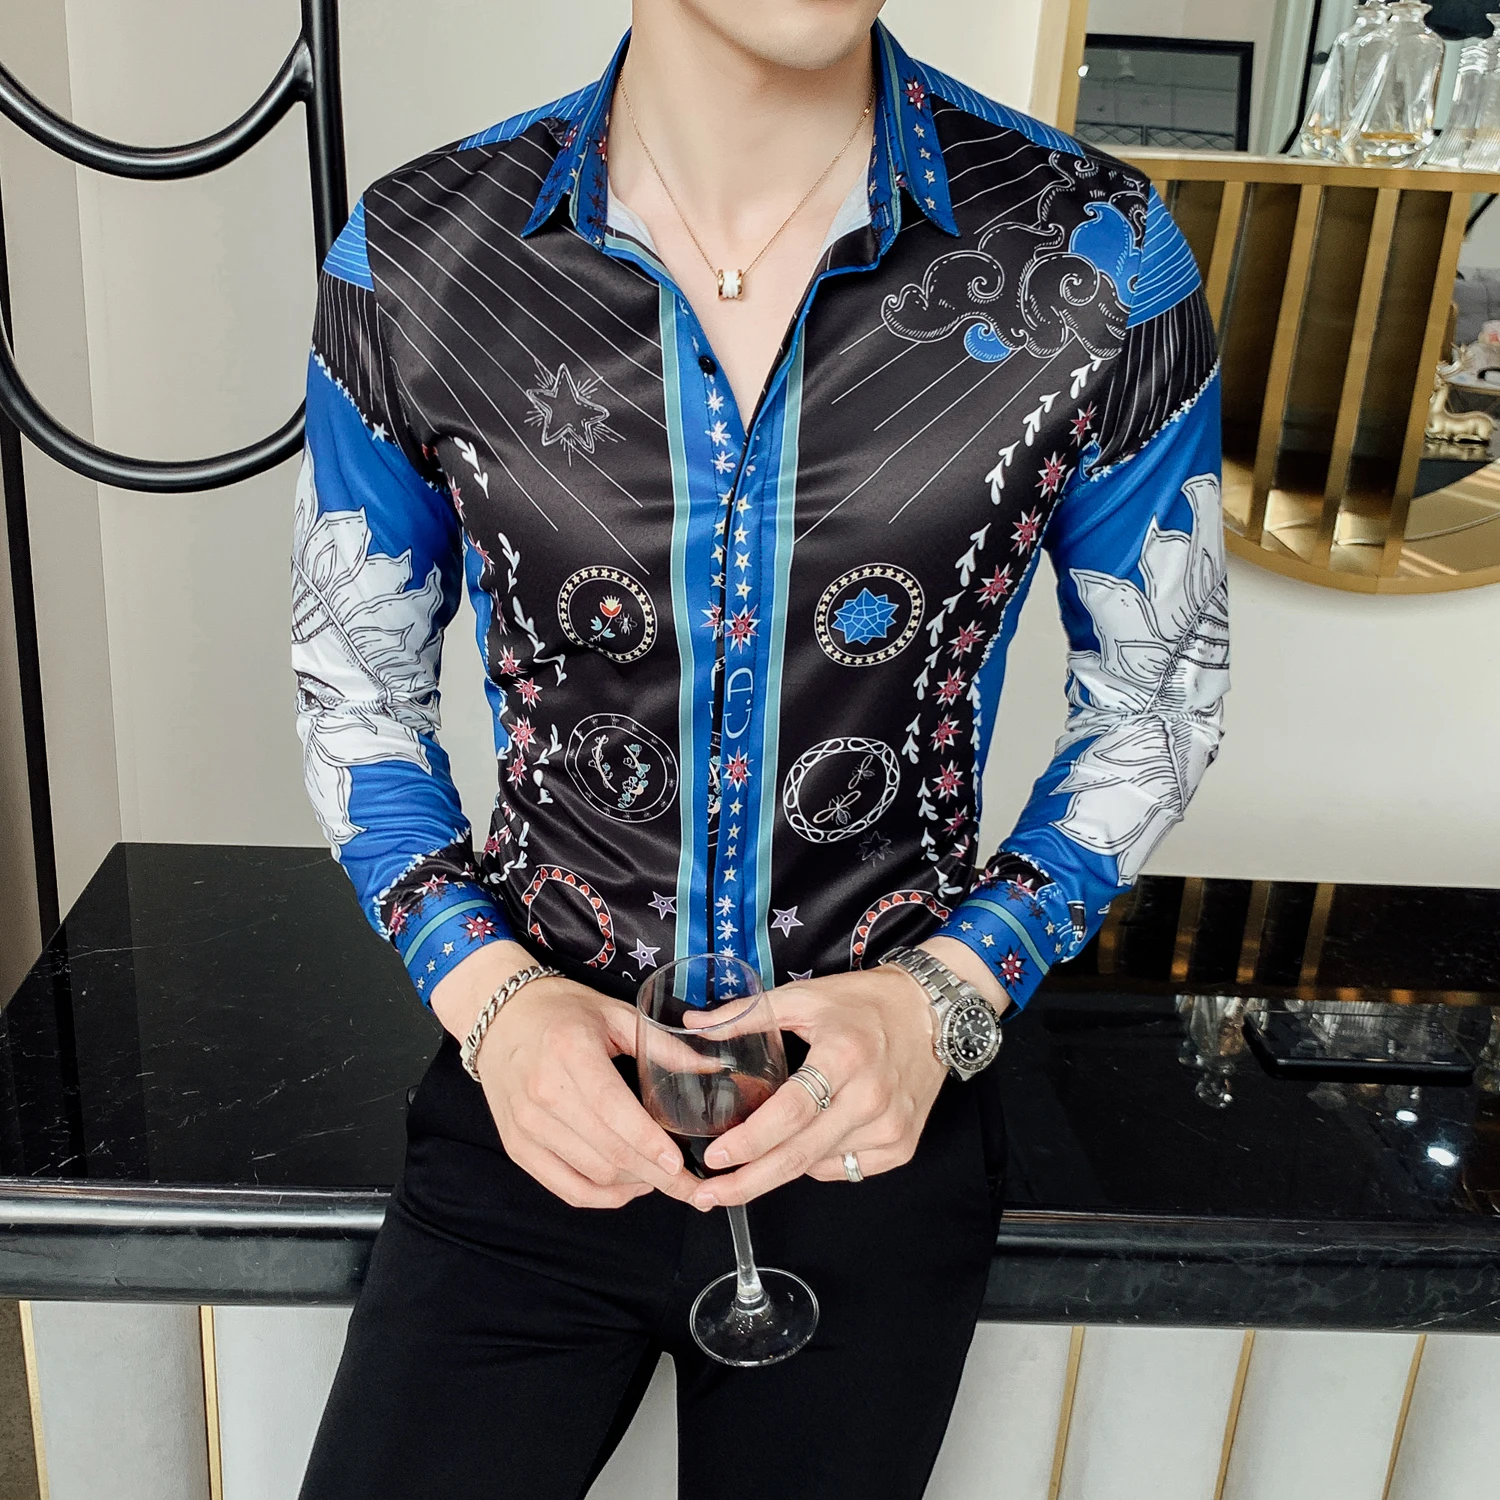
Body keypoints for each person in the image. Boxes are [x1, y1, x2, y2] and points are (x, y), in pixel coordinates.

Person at [292, 1, 1227, 1495]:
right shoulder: (417, 255)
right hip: (534, 1099)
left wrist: (946, 996)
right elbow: (354, 684)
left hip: (882, 1125)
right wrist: (494, 1003)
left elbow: (1158, 699)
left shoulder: (1099, 251)